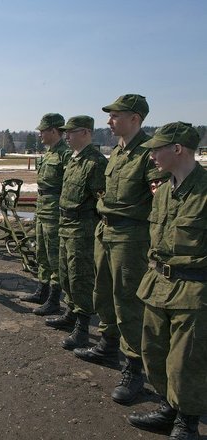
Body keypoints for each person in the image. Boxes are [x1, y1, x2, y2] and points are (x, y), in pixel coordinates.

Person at [73, 94, 168, 405]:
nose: (109, 121)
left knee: (128, 302)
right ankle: (108, 345)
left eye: (115, 116)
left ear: (135, 119)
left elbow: (161, 201)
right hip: (106, 231)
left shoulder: (149, 153)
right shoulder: (117, 152)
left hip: (132, 238)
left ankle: (135, 370)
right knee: (103, 293)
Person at [126, 122, 206, 440]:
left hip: (194, 291)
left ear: (177, 149)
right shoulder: (162, 192)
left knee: (186, 362)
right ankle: (168, 408)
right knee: (154, 352)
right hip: (158, 284)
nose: (151, 156)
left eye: (156, 149)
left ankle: (187, 421)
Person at [54, 116, 107, 350]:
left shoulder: (95, 163)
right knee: (65, 274)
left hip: (82, 229)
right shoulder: (74, 159)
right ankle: (71, 313)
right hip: (66, 224)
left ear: (85, 133)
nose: (66, 136)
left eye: (71, 132)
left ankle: (83, 328)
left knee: (80, 278)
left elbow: (102, 201)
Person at [20, 113, 72, 316]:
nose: (40, 134)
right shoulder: (49, 153)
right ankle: (42, 291)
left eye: (43, 130)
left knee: (54, 256)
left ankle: (54, 299)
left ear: (54, 131)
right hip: (42, 209)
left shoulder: (65, 154)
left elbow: (68, 187)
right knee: (41, 252)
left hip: (54, 213)